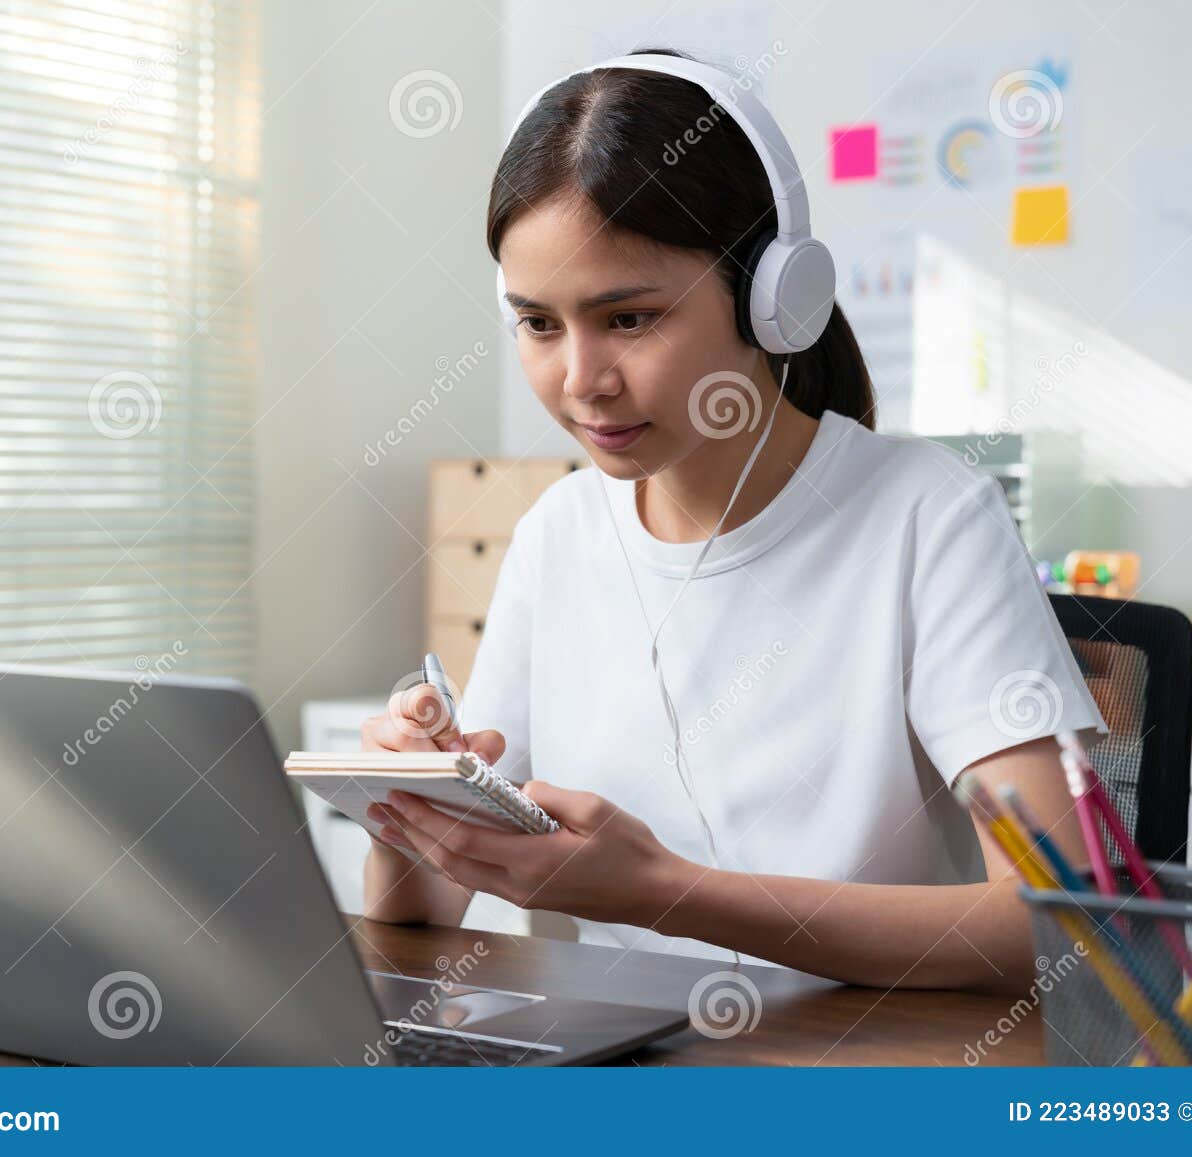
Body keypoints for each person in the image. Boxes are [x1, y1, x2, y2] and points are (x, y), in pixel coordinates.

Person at [360, 49, 1106, 994]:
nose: (581, 380)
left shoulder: (927, 518)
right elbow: (423, 915)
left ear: (772, 299)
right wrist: (411, 806)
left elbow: (1059, 921)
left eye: (627, 319)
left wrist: (668, 892)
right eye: (539, 324)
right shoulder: (560, 533)